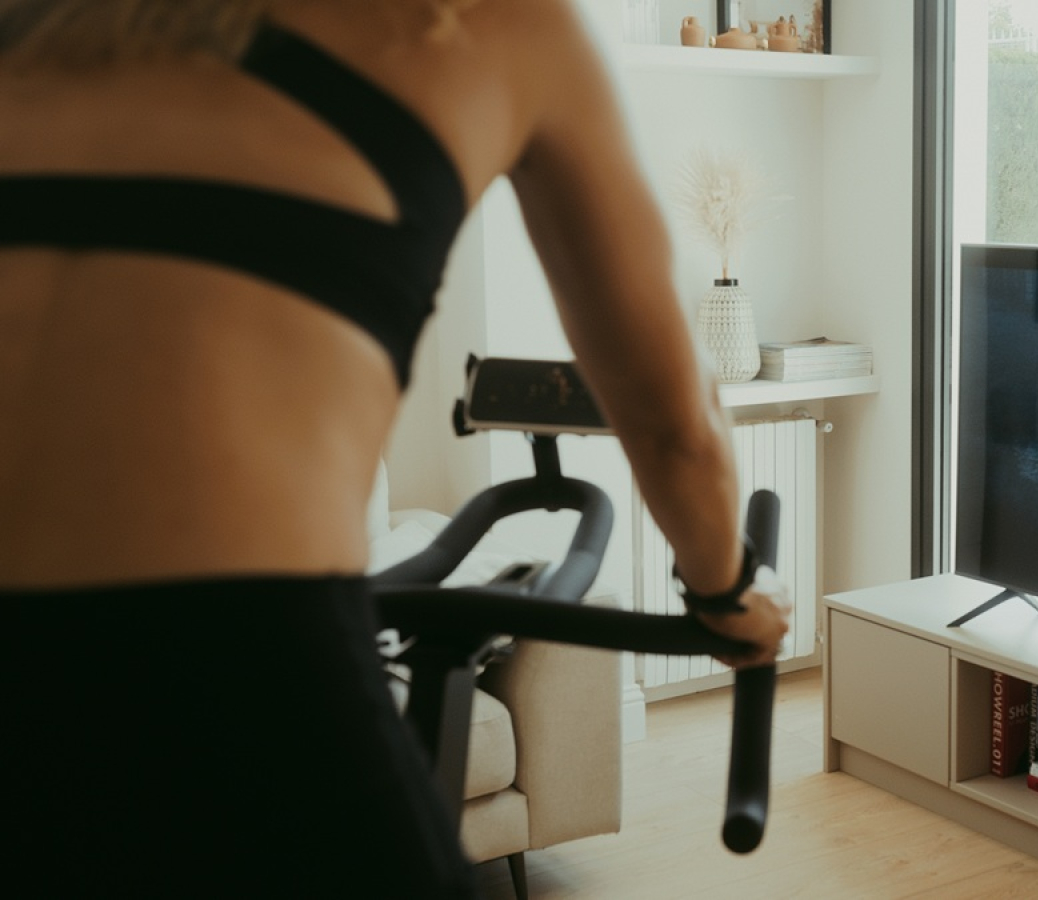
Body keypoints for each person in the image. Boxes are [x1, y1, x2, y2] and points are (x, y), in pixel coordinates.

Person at [0, 0, 791, 896]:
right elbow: (673, 423)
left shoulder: (41, 27)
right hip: (234, 664)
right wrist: (727, 593)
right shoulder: (502, 25)